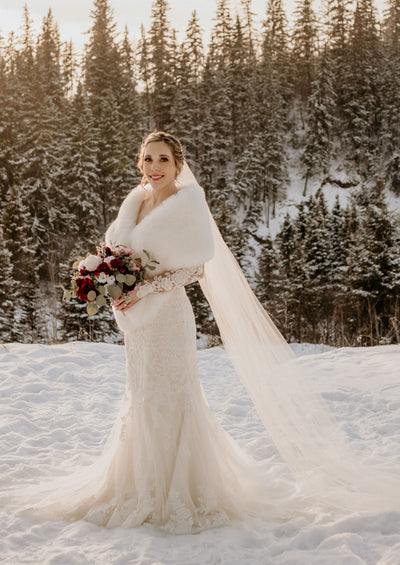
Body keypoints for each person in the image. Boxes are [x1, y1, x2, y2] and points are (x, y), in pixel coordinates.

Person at [4, 131, 400, 534]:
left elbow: (195, 269)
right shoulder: (135, 202)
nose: (154, 167)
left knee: (174, 396)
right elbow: (119, 256)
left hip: (168, 316)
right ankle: (140, 481)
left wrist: (143, 288)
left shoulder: (187, 204)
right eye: (147, 159)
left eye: (162, 159)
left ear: (177, 164)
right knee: (142, 395)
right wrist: (110, 285)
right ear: (139, 162)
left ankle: (179, 489)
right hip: (138, 324)